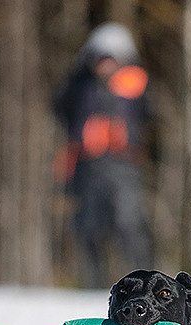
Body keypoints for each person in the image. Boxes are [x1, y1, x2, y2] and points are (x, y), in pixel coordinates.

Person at [53, 23, 153, 288]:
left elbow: (148, 115)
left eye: (111, 60)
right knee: (88, 226)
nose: (105, 66)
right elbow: (61, 108)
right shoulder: (78, 86)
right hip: (87, 164)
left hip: (123, 164)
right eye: (100, 60)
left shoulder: (135, 84)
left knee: (128, 224)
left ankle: (142, 284)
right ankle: (93, 284)